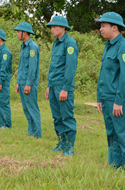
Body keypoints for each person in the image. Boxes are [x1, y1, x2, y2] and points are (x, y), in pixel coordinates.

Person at [96, 12, 125, 171]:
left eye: (103, 26)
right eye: (100, 26)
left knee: (123, 133)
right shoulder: (109, 46)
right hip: (106, 98)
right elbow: (104, 74)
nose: (100, 29)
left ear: (115, 27)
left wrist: (119, 101)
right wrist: (99, 97)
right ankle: (115, 165)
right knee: (111, 133)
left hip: (118, 99)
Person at [45, 16, 78, 156]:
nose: (52, 29)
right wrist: (48, 86)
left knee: (67, 117)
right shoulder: (56, 43)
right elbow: (53, 67)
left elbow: (70, 68)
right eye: (51, 27)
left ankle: (70, 147)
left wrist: (65, 88)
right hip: (53, 86)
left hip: (63, 87)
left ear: (63, 28)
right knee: (57, 117)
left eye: (55, 27)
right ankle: (61, 144)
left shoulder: (70, 43)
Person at [14, 22, 42, 138]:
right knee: (26, 108)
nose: (17, 34)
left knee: (32, 108)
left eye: (18, 32)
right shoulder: (23, 46)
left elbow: (32, 67)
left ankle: (37, 133)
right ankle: (31, 131)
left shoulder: (32, 47)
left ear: (24, 33)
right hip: (22, 81)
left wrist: (28, 84)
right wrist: (18, 82)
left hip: (28, 83)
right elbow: (21, 66)